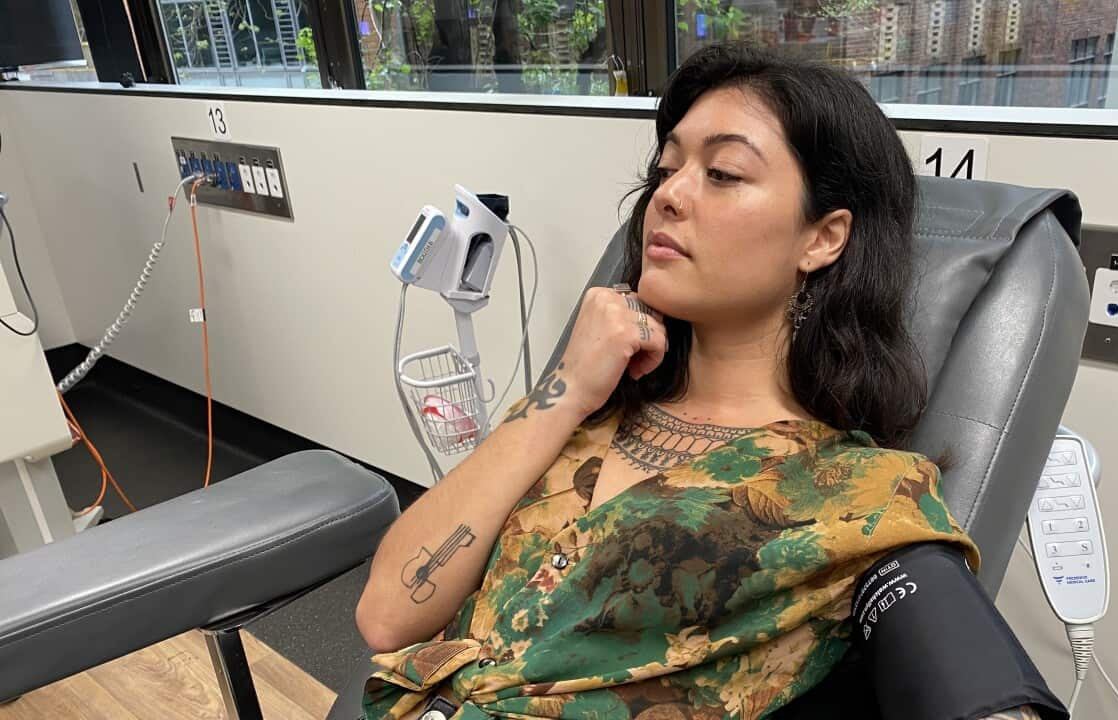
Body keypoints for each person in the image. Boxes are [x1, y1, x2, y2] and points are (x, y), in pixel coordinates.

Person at [355, 42, 1068, 720]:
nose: (668, 196)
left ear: (823, 238)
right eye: (666, 171)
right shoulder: (579, 413)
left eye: (723, 174)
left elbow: (948, 643)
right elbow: (386, 614)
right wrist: (568, 387)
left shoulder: (856, 491)